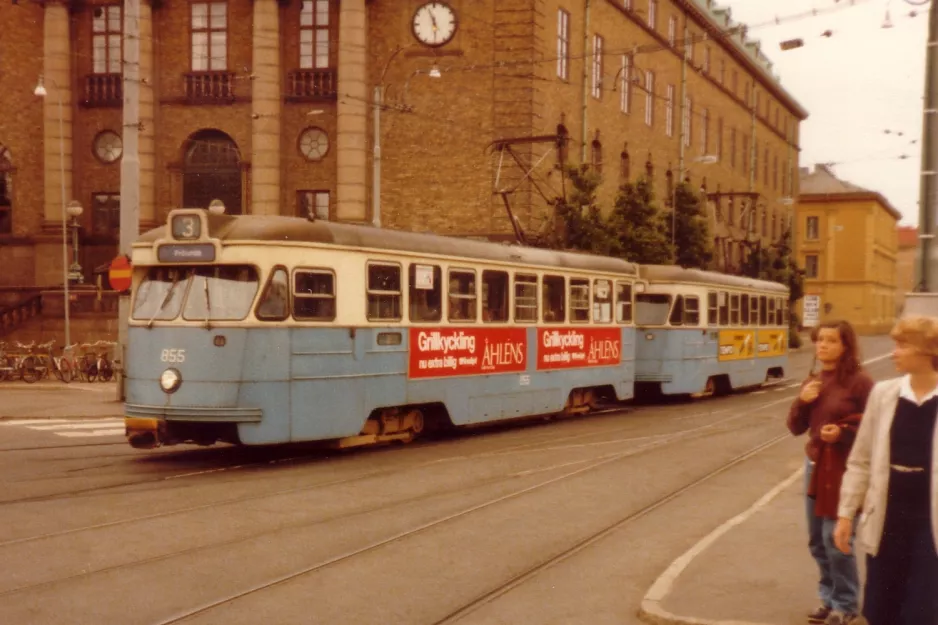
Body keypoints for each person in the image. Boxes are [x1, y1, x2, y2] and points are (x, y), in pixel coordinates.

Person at [834, 315, 938, 625]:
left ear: (929, 351)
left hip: (930, 519)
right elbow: (861, 459)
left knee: (923, 610)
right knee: (881, 608)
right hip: (888, 513)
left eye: (902, 345)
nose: (894, 352)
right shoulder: (884, 393)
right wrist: (845, 513)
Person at [787, 320, 874, 625]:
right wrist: (802, 401)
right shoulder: (813, 381)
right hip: (814, 466)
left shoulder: (860, 382)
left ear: (845, 346)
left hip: (844, 468)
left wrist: (842, 433)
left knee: (836, 539)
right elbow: (796, 428)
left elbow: (872, 424)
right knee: (816, 539)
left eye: (831, 341)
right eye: (819, 340)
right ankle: (828, 598)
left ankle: (846, 603)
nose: (822, 345)